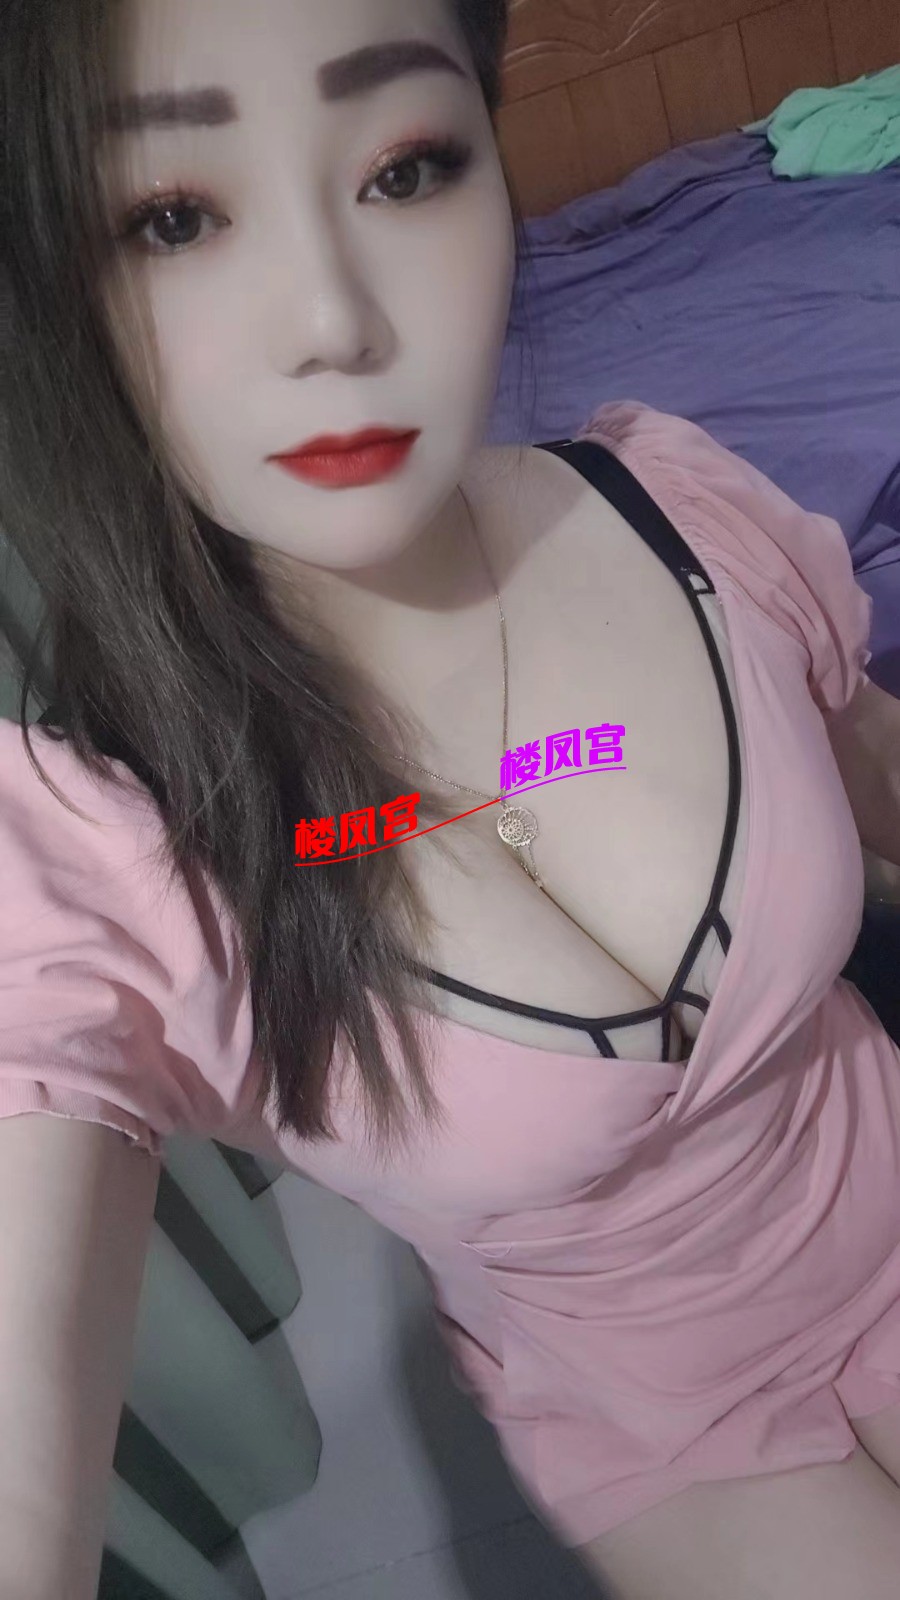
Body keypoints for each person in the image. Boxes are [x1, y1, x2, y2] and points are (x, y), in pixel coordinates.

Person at [2, 1, 900, 1596]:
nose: (334, 320)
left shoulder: (683, 508)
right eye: (175, 216)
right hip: (667, 1420)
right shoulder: (106, 840)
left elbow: (876, 778)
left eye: (406, 167)